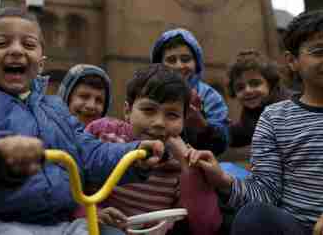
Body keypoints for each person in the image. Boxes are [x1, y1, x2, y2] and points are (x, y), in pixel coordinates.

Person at [0, 7, 164, 235]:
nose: (16, 50)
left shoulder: (55, 110)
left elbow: (90, 151)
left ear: (40, 64)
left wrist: (135, 152)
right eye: (1, 43)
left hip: (57, 222)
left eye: (28, 45)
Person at [188, 10, 323, 235]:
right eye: (319, 51)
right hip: (298, 230)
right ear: (292, 61)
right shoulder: (273, 119)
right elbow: (265, 192)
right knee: (253, 217)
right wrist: (224, 180)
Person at [81, 64, 222, 235]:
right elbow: (65, 185)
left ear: (184, 121)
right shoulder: (102, 131)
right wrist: (93, 214)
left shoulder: (184, 160)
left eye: (172, 115)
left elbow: (206, 227)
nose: (159, 123)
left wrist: (188, 168)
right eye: (148, 110)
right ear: (127, 111)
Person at [150, 28, 229, 156]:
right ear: (159, 65)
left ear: (196, 63)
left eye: (186, 59)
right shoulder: (150, 92)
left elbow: (221, 144)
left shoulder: (209, 96)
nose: (179, 66)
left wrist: (203, 126)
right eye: (171, 60)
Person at [225, 50, 290, 163]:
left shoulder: (288, 107)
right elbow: (242, 133)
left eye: (255, 83)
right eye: (240, 87)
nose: (248, 90)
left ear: (270, 83)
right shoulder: (251, 112)